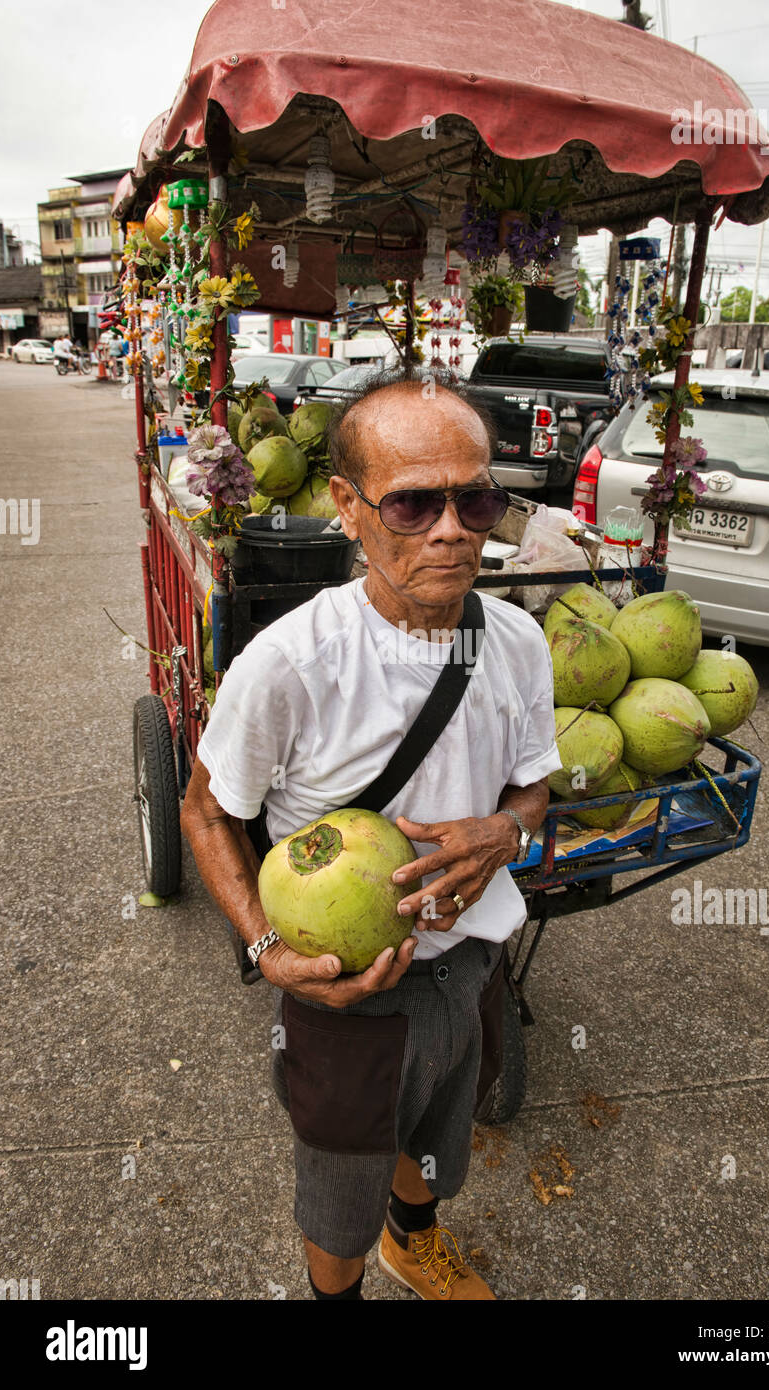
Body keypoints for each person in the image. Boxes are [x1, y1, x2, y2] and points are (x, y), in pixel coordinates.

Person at [181, 368, 562, 1301]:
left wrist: (504, 835)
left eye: (474, 499)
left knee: (440, 1132)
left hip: (470, 963)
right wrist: (266, 945)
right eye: (412, 505)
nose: (450, 529)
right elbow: (205, 808)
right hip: (348, 995)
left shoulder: (514, 641)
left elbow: (534, 786)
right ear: (347, 507)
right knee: (340, 1179)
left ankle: (413, 1240)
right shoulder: (290, 663)